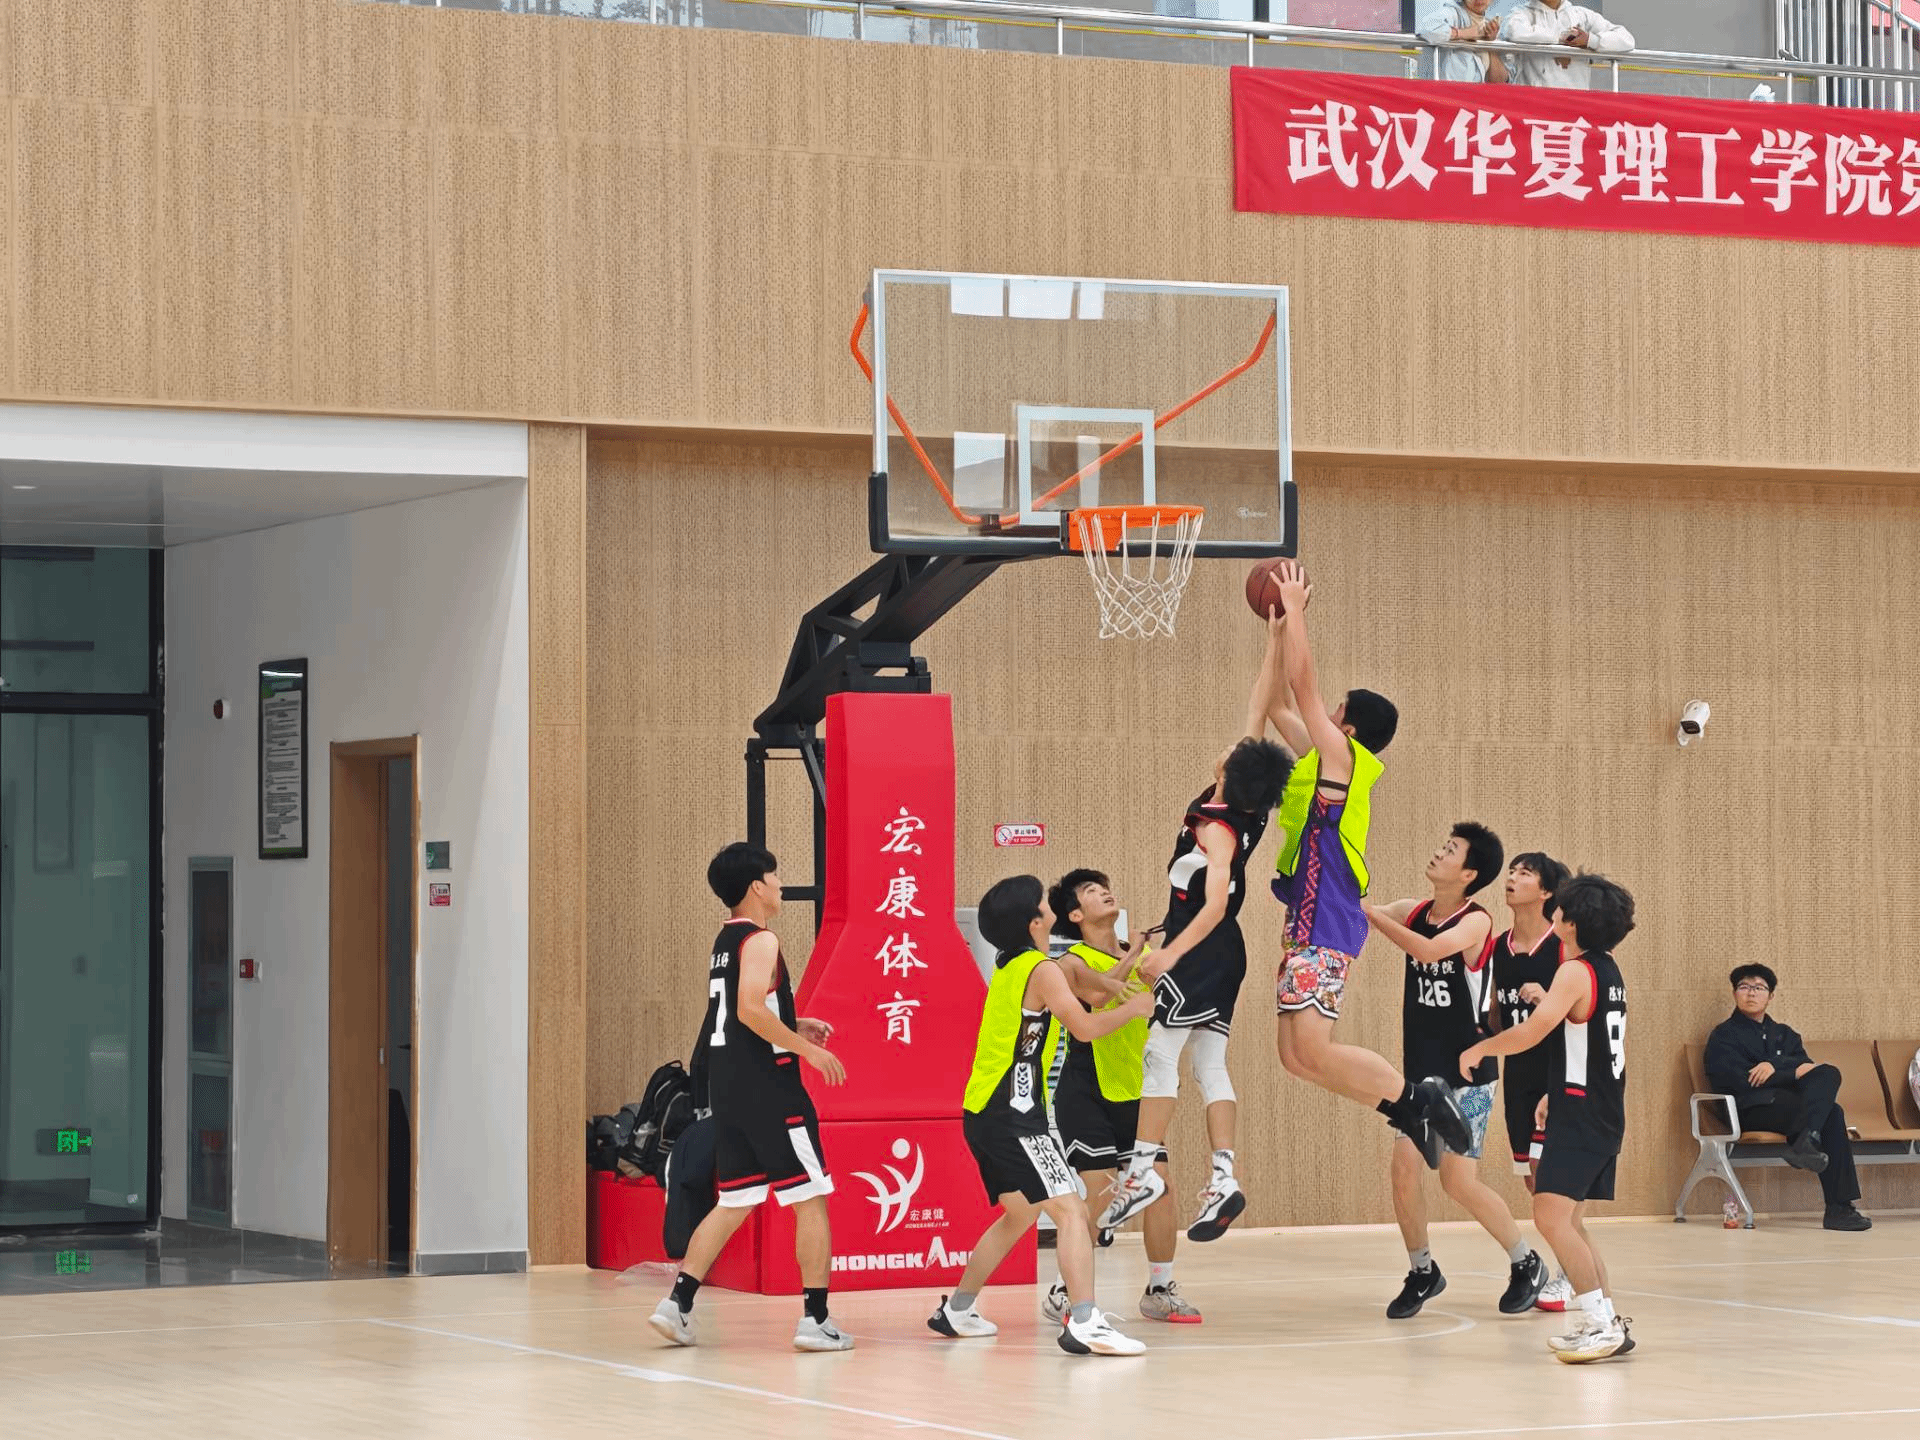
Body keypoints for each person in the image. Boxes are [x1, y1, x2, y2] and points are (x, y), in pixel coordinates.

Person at [1259, 562, 1471, 1168]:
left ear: (1347, 728)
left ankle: (1418, 1097)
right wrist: (1276, 636)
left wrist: (1296, 610)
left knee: (1314, 1049)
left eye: (1335, 711)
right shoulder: (1321, 760)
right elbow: (1278, 702)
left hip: (1327, 920)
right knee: (1295, 1059)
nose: (1323, 713)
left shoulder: (1344, 759)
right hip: (1307, 921)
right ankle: (1403, 1110)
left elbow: (1302, 687)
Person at [1099, 626, 1295, 1240]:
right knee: (1209, 1062)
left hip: (1202, 949)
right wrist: (1276, 635)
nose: (1229, 749)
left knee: (1160, 1054)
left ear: (1229, 776)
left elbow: (1213, 907)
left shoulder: (1219, 830)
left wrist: (1169, 954)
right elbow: (1258, 706)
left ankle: (1141, 1171)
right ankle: (1224, 1176)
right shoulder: (1244, 802)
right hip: (1221, 953)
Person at [928, 876, 1156, 1356]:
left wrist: (1131, 958)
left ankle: (957, 1309)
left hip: (984, 1111)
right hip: (1014, 1113)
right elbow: (1087, 1027)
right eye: (1041, 901)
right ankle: (1086, 1321)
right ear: (1035, 921)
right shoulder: (1042, 968)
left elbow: (1097, 993)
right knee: (1071, 1210)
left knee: (1021, 1214)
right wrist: (1136, 1007)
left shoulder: (1013, 964)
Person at [650, 843, 853, 1352]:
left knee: (735, 1200)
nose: (780, 884)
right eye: (774, 876)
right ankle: (816, 1320)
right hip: (772, 1091)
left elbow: (742, 1013)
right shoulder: (762, 940)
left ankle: (676, 1304)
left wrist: (793, 1022)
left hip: (730, 1092)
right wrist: (808, 1050)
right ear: (758, 886)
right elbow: (748, 1011)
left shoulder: (725, 940)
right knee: (810, 1199)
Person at [1363, 824, 1549, 1320]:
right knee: (1403, 1171)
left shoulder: (1476, 922)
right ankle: (1423, 1270)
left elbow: (1425, 950)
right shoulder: (1414, 911)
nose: (1438, 853)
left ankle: (1526, 1261)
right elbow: (1363, 913)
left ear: (1469, 874)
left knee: (1457, 1182)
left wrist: (1372, 916)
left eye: (1450, 851)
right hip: (1421, 1077)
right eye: (1442, 845)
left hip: (1469, 1073)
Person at [1462, 873, 1636, 1364]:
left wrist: (1481, 1048)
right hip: (1594, 1107)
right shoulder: (1607, 969)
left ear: (1571, 922)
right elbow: (1586, 1043)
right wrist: (1553, 1094)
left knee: (1550, 1216)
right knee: (1571, 1223)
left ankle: (1600, 1325)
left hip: (1584, 1114)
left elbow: (1533, 1031)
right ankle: (1607, 1322)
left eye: (1560, 907)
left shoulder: (1574, 971)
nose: (1553, 911)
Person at [1042, 870, 1198, 1325]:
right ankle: (1064, 1291)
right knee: (1102, 1192)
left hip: (1139, 1090)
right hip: (1086, 1089)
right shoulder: (1069, 962)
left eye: (1105, 886)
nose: (1105, 892)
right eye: (1091, 891)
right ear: (1075, 915)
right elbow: (1095, 994)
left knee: (1161, 1188)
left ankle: (1159, 1289)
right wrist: (1132, 957)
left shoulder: (1147, 957)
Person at [1704, 965, 1872, 1232]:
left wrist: (1773, 1066)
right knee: (1830, 1113)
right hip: (1750, 1107)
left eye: (1759, 988)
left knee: (1829, 1077)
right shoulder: (1723, 1036)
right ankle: (1814, 1156)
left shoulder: (1785, 1034)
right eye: (1744, 987)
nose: (1751, 993)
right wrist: (1788, 1072)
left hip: (1789, 1106)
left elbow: (1808, 1072)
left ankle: (1810, 1148)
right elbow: (1740, 1081)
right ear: (1735, 993)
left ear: (1770, 996)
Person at [1488, 851, 1575, 1311]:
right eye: (1511, 871)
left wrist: (1550, 1001)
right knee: (1533, 1183)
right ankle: (1570, 1268)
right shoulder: (1497, 947)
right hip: (1517, 1074)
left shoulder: (1562, 947)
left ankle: (1571, 1273)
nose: (1512, 878)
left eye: (1525, 873)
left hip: (1556, 1074)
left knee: (1552, 1179)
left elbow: (1585, 1013)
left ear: (1546, 892)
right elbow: (1496, 1014)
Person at [1503, 0, 1634, 90]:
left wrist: (1590, 40)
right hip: (1535, 104)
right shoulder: (1520, 14)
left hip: (1575, 103)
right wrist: (1562, 37)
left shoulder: (1581, 15)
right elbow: (1515, 32)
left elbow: (1626, 39)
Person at [1419, 0, 1510, 84]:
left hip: (1474, 93)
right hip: (1448, 92)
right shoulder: (1451, 14)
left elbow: (1500, 81)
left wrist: (1490, 44)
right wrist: (1461, 33)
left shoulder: (1490, 26)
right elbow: (1426, 30)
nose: (1478, 0)